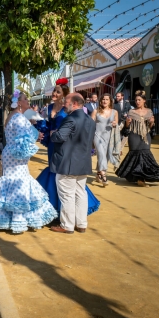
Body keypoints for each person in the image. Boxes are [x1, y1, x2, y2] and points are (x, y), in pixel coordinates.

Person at [0, 91, 57, 233]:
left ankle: (11, 217)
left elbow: (22, 135)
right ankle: (17, 218)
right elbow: (23, 138)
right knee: (18, 183)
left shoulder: (14, 116)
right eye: (25, 99)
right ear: (19, 103)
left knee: (13, 182)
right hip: (16, 154)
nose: (28, 101)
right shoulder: (18, 118)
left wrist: (33, 131)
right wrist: (37, 135)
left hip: (12, 153)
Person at [36, 78, 100, 216]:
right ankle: (55, 208)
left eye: (58, 91)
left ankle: (62, 211)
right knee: (56, 172)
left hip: (65, 143)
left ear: (64, 95)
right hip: (52, 143)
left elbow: (71, 128)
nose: (54, 93)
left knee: (64, 176)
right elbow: (46, 125)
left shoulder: (68, 111)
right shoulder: (49, 108)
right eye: (54, 90)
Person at [50, 93, 96, 234]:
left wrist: (53, 133)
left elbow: (60, 136)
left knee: (67, 195)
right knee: (80, 194)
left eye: (66, 101)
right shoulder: (90, 120)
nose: (64, 103)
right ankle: (81, 224)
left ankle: (67, 225)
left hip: (67, 163)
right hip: (83, 163)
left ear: (75, 103)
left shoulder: (71, 119)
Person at [115, 91, 159, 187]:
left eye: (139, 100)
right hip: (134, 135)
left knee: (146, 153)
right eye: (136, 100)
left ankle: (141, 177)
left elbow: (151, 127)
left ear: (144, 100)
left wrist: (152, 122)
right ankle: (140, 179)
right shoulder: (131, 112)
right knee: (136, 154)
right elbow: (127, 128)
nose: (137, 102)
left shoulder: (149, 111)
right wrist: (128, 122)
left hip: (145, 136)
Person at [91, 93, 118, 186]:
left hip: (109, 137)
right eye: (103, 99)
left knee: (105, 156)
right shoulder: (96, 111)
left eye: (107, 99)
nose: (104, 101)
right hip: (97, 136)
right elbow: (90, 125)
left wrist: (115, 124)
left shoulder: (115, 112)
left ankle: (98, 174)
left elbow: (117, 126)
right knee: (101, 154)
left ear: (110, 101)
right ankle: (104, 175)